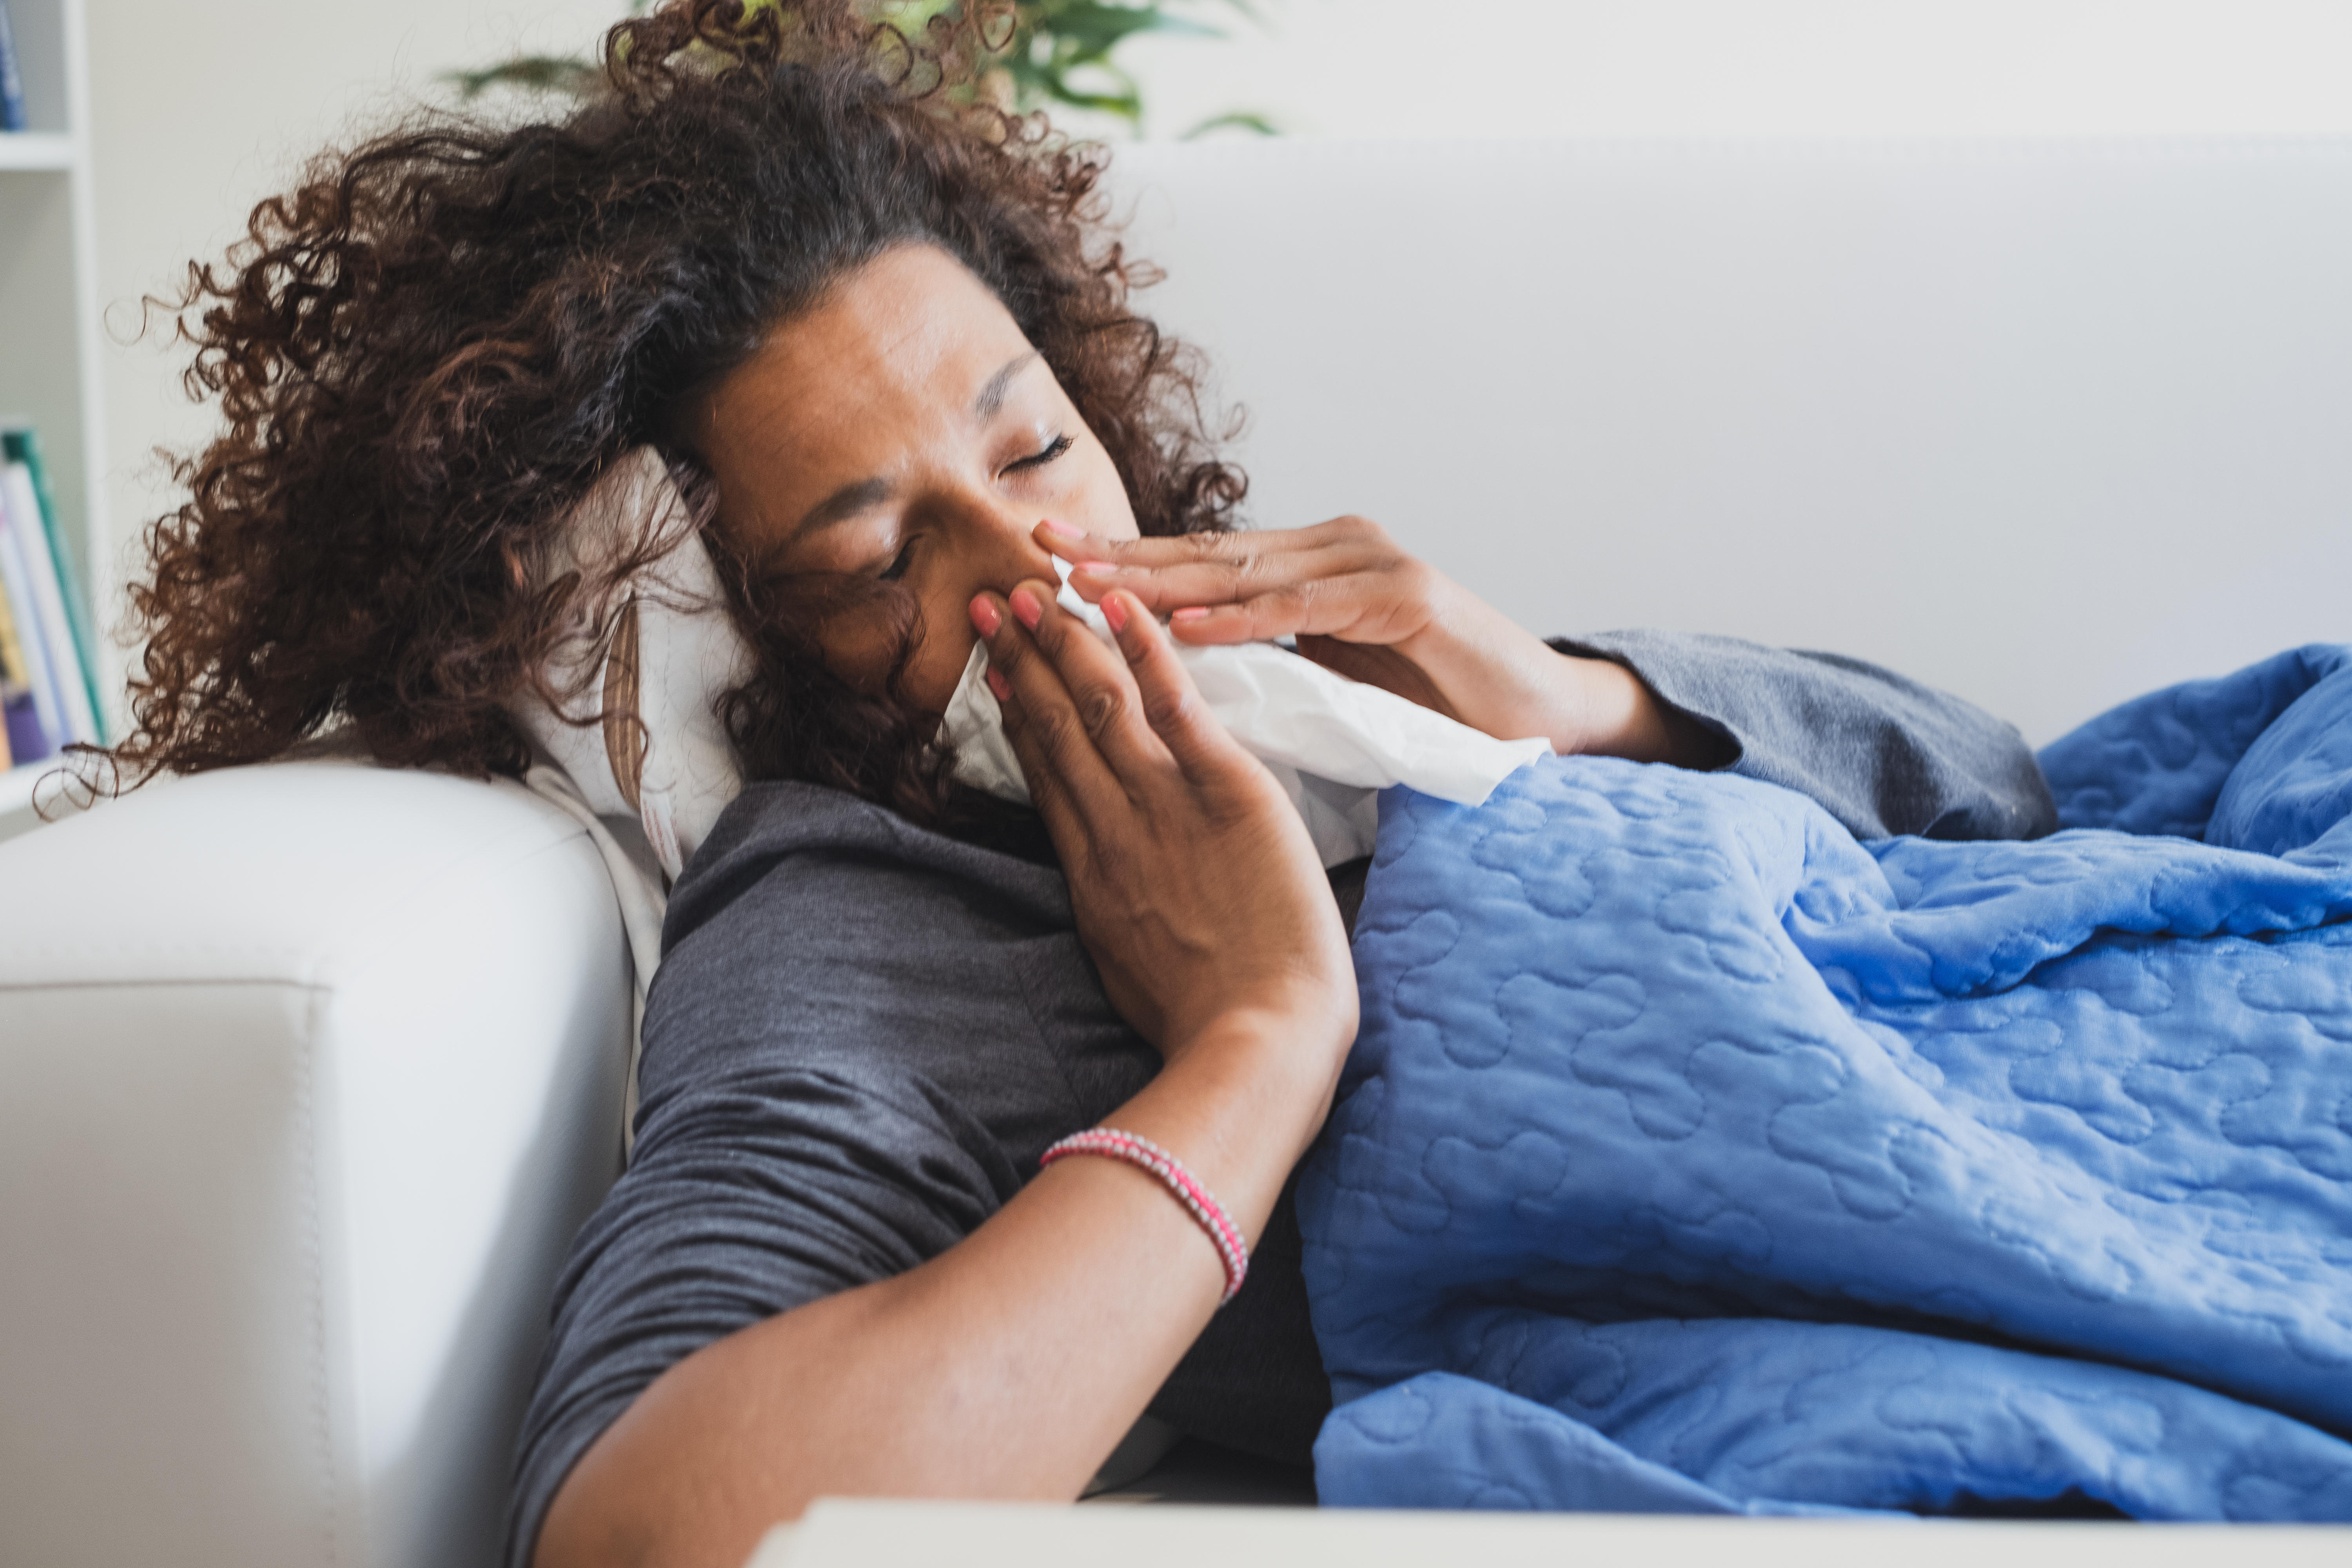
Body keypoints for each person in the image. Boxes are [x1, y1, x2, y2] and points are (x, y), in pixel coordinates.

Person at [100, 5, 2056, 1566]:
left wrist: (1557, 692)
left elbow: (2010, 791)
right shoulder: (859, 915)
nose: (1022, 569)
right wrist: (1259, 1043)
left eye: (1031, 448)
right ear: (731, 636)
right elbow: (649, 1531)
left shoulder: (1321, 687)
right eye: (875, 567)